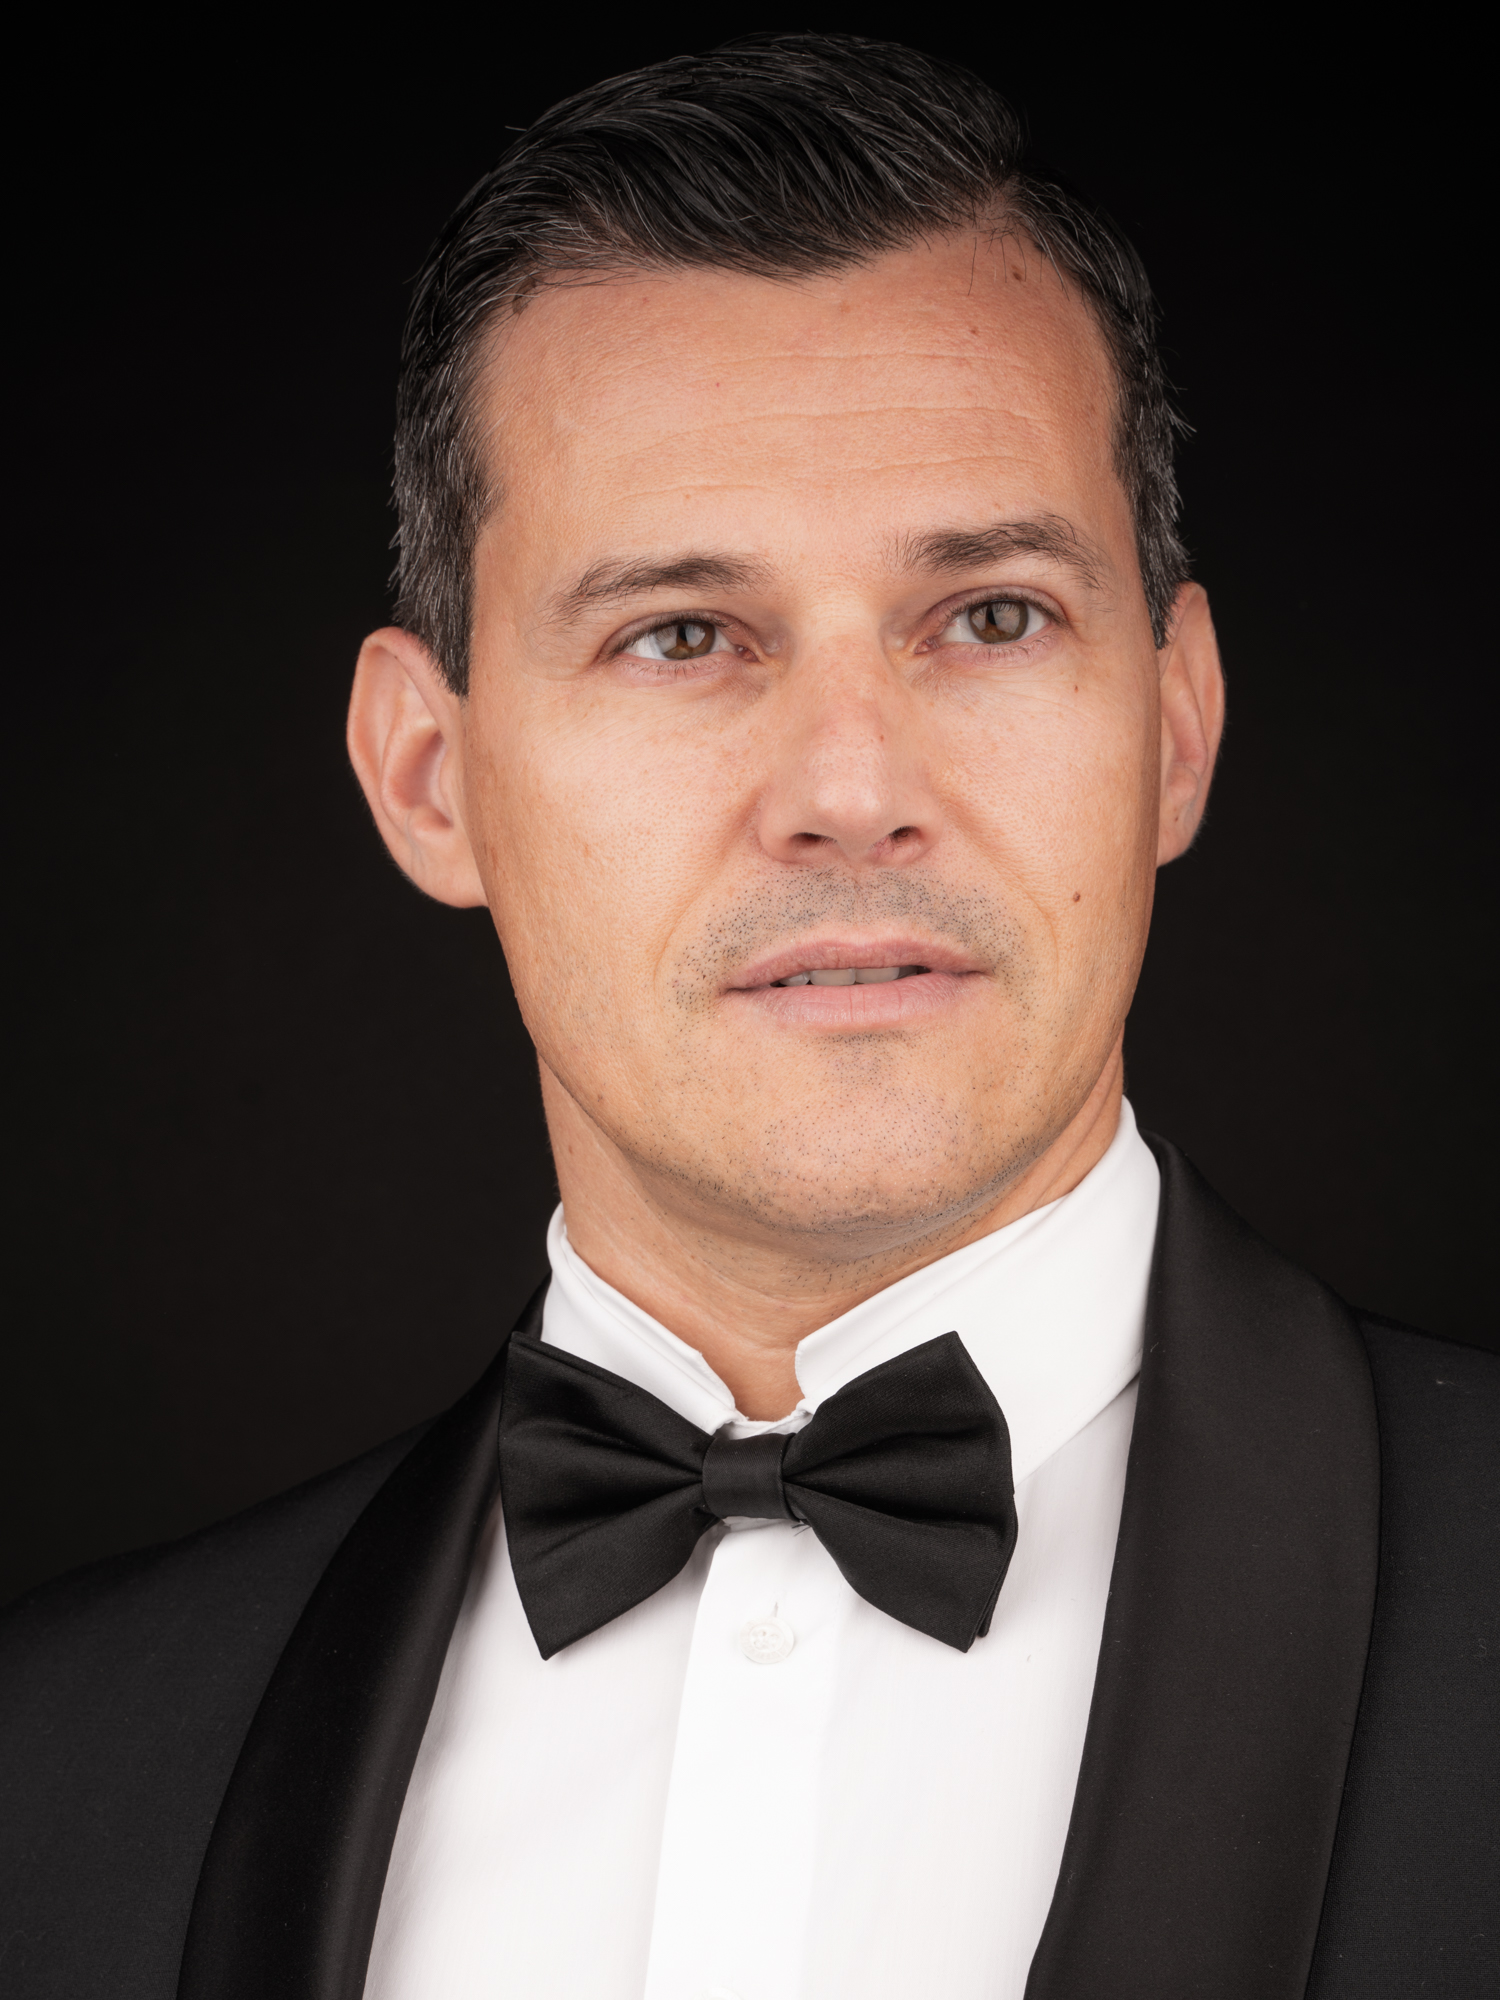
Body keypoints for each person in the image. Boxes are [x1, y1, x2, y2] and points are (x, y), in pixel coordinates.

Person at [1, 33, 1493, 2000]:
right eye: (683, 635)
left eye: (990, 614)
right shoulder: (48, 1775)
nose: (851, 788)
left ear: (1176, 724)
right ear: (431, 780)